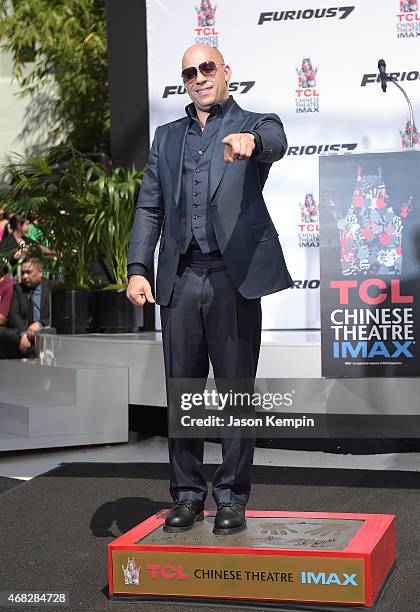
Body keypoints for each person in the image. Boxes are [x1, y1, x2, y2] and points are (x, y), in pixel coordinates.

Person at [126, 44, 292, 535]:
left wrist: (251, 143)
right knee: (184, 395)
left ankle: (232, 497)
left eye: (206, 68)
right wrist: (139, 267)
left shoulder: (255, 122)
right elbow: (149, 207)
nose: (198, 77)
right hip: (178, 279)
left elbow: (276, 139)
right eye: (188, 72)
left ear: (225, 72)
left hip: (232, 279)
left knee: (236, 394)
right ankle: (188, 494)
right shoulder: (167, 137)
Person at [0, 256, 51, 358]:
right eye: (22, 273)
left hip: (45, 332)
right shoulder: (18, 289)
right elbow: (13, 314)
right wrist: (24, 334)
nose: (25, 276)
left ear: (40, 272)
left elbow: (56, 315)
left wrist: (40, 324)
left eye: (28, 272)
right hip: (23, 333)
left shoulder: (51, 288)